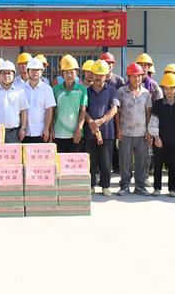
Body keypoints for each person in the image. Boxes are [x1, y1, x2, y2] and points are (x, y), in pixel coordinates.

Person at [114, 62, 152, 196]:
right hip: (125, 132)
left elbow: (148, 113)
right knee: (125, 160)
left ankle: (140, 186)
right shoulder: (121, 92)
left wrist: (148, 131)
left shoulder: (146, 93)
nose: (137, 78)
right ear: (128, 77)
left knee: (142, 160)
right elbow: (117, 112)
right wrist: (118, 129)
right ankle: (124, 185)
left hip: (142, 133)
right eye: (134, 76)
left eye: (139, 76)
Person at [148, 72, 175, 197]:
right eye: (166, 88)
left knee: (173, 166)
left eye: (172, 88)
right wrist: (156, 137)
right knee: (158, 165)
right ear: (163, 89)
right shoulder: (158, 104)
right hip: (160, 141)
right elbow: (153, 122)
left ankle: (172, 189)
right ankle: (157, 188)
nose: (169, 91)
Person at [84, 58, 119, 196]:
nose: (98, 77)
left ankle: (105, 186)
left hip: (107, 132)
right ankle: (91, 185)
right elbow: (83, 109)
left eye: (101, 74)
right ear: (92, 74)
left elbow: (114, 109)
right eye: (96, 74)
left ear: (106, 76)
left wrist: (100, 121)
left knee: (106, 161)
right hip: (89, 132)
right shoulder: (86, 91)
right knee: (91, 162)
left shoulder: (111, 90)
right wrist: (91, 122)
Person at [0, 60, 29, 143]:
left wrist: (23, 128)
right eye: (3, 73)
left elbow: (23, 111)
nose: (6, 76)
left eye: (9, 73)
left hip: (14, 133)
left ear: (14, 75)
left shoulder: (20, 91)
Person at [52, 57, 88, 153]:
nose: (69, 75)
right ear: (62, 74)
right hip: (58, 134)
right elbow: (52, 111)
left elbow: (83, 111)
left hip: (76, 135)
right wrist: (51, 129)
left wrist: (79, 128)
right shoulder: (55, 89)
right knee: (59, 162)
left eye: (72, 72)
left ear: (76, 73)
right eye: (66, 72)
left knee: (74, 162)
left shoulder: (82, 89)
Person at [21, 57, 55, 144]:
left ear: (42, 71)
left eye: (38, 70)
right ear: (28, 71)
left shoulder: (47, 89)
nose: (35, 72)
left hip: (41, 133)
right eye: (32, 70)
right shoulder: (21, 89)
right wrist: (22, 128)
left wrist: (46, 129)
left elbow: (49, 110)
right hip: (24, 133)